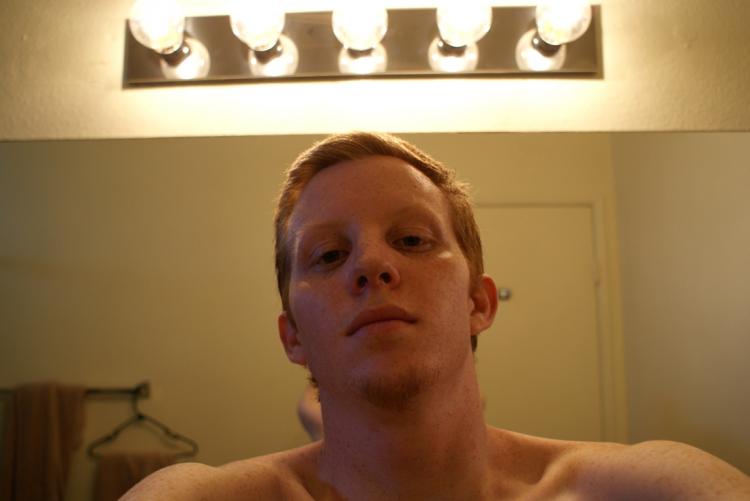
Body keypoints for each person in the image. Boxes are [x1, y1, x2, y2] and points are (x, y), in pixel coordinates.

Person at [124, 132, 750, 500]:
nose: (371, 265)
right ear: (293, 338)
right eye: (330, 254)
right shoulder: (196, 498)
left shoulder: (639, 490)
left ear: (479, 302)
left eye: (412, 240)